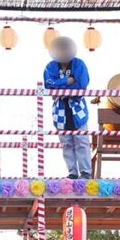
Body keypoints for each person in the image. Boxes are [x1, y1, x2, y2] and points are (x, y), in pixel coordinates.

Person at [44, 36, 91, 179]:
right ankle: (72, 172)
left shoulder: (79, 64)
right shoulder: (50, 66)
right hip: (60, 111)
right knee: (66, 143)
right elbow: (48, 84)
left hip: (78, 110)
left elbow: (81, 84)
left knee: (82, 141)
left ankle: (85, 172)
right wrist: (67, 81)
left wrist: (60, 88)